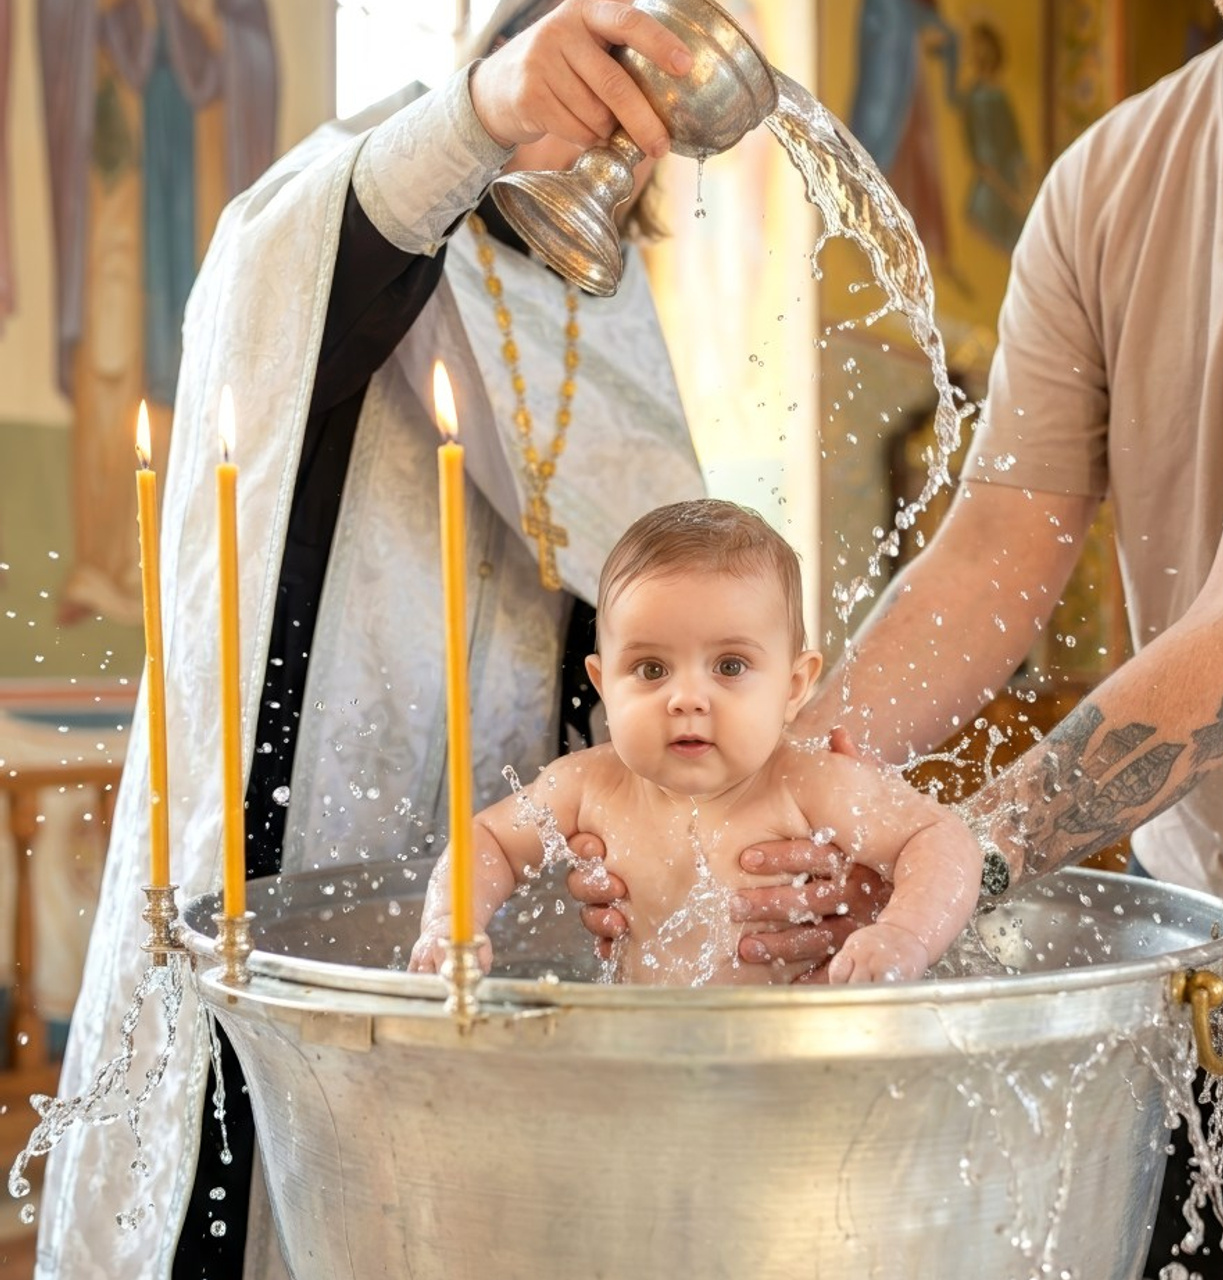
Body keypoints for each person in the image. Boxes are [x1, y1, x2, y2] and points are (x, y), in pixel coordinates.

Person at [570, 3, 1223, 1275]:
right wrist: (771, 792)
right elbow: (999, 543)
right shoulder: (1111, 176)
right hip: (1217, 955)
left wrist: (959, 855)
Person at [35, 3, 734, 1277]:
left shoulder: (603, 308)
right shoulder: (336, 193)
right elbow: (326, 266)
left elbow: (654, 593)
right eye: (581, 88)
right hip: (287, 831)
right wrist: (480, 121)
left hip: (506, 878)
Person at [410, 499, 983, 986]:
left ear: (793, 686)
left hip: (797, 1062)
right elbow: (486, 839)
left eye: (729, 665)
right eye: (652, 669)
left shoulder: (810, 784)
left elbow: (941, 838)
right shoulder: (586, 786)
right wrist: (450, 921)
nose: (687, 698)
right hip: (646, 1061)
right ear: (604, 682)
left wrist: (905, 934)